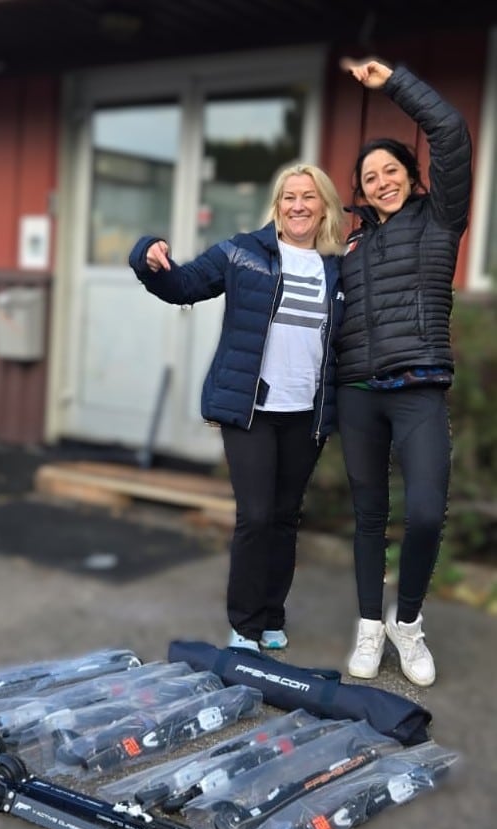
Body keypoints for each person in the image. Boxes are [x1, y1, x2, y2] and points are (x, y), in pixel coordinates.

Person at [129, 163, 345, 653]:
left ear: (324, 206)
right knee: (257, 514)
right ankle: (245, 625)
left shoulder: (337, 267)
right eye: (289, 196)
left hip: (306, 412)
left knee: (287, 517)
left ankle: (272, 615)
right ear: (277, 204)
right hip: (252, 407)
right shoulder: (242, 253)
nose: (298, 206)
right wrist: (148, 254)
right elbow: (181, 285)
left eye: (309, 197)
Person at [337, 58, 472, 687]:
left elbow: (450, 132)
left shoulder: (440, 217)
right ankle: (369, 623)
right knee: (368, 514)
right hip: (359, 390)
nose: (382, 180)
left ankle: (406, 623)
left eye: (391, 170)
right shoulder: (353, 241)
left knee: (423, 512)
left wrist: (392, 84)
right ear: (360, 192)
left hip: (418, 388)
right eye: (370, 177)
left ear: (412, 177)